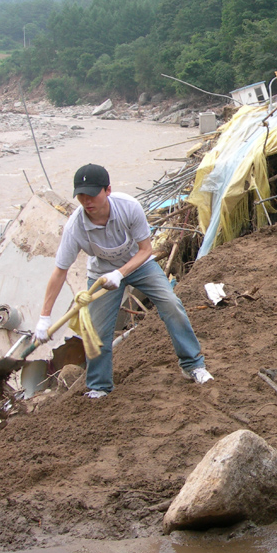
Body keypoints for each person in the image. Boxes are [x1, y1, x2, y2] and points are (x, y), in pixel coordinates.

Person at [35, 164, 212, 399]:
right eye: (81, 195)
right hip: (101, 273)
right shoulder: (75, 227)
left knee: (171, 304)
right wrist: (44, 318)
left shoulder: (129, 208)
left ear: (107, 190)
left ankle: (192, 365)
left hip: (139, 264)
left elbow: (146, 250)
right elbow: (60, 272)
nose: (86, 200)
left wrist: (120, 273)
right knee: (96, 332)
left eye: (92, 194)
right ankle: (99, 387)